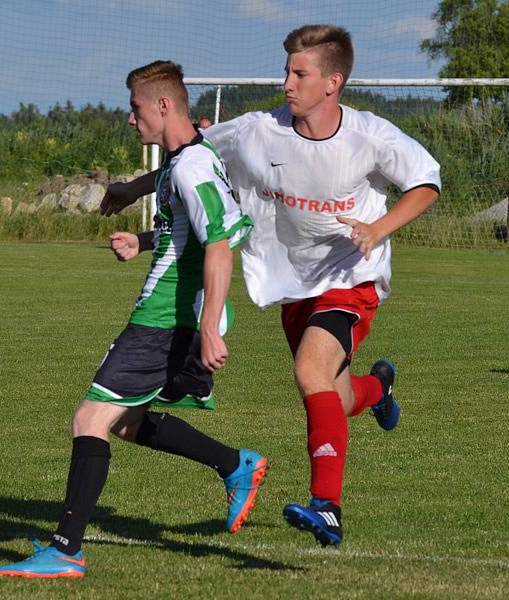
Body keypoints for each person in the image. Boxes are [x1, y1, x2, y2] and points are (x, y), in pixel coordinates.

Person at [100, 25, 441, 548]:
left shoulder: (370, 135)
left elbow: (426, 181)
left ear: (333, 82)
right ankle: (379, 389)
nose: (287, 83)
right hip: (293, 288)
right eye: (286, 71)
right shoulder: (258, 130)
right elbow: (191, 154)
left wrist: (377, 229)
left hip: (352, 279)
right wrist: (131, 189)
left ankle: (327, 506)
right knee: (337, 393)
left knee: (310, 371)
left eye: (299, 73)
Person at [0, 61, 266, 579]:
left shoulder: (192, 168)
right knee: (125, 421)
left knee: (89, 419)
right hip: (170, 315)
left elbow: (220, 245)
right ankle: (236, 465)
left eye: (135, 107)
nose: (129, 118)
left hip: (164, 319)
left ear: (163, 106)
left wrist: (209, 325)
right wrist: (139, 232)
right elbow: (181, 222)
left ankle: (66, 550)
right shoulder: (187, 160)